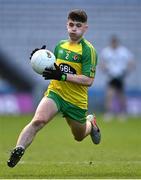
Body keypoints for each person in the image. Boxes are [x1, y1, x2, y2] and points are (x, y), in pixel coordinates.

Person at [7, 9, 101, 168]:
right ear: (67, 25)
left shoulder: (88, 51)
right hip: (56, 92)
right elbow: (54, 68)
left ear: (85, 28)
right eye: (71, 24)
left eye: (78, 25)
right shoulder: (60, 46)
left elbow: (88, 80)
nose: (74, 28)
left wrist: (62, 76)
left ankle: (91, 124)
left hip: (76, 100)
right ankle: (19, 149)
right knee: (38, 120)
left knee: (78, 136)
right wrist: (39, 58)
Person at [100, 35, 135, 120]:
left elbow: (131, 62)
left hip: (120, 75)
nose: (114, 44)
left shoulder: (123, 51)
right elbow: (102, 63)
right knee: (109, 95)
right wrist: (105, 69)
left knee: (121, 95)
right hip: (111, 76)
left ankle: (122, 113)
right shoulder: (106, 51)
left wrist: (126, 71)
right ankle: (109, 113)